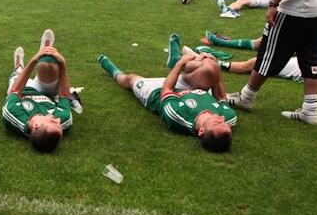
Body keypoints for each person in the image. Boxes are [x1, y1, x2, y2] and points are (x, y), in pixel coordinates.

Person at [97, 52, 236, 152]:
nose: (221, 118)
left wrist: (179, 64)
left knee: (131, 79)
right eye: (224, 123)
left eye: (217, 123)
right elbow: (221, 96)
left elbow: (167, 89)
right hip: (191, 88)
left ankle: (114, 70)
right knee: (210, 67)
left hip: (158, 92)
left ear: (201, 131)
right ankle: (190, 57)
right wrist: (215, 68)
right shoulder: (229, 117)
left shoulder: (178, 116)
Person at [2, 29, 74, 153]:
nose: (57, 120)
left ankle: (19, 66)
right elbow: (65, 95)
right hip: (46, 92)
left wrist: (34, 60)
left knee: (16, 78)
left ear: (36, 126)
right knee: (48, 63)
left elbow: (15, 91)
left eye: (53, 121)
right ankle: (46, 51)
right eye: (59, 124)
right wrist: (62, 63)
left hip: (22, 89)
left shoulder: (13, 114)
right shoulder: (63, 120)